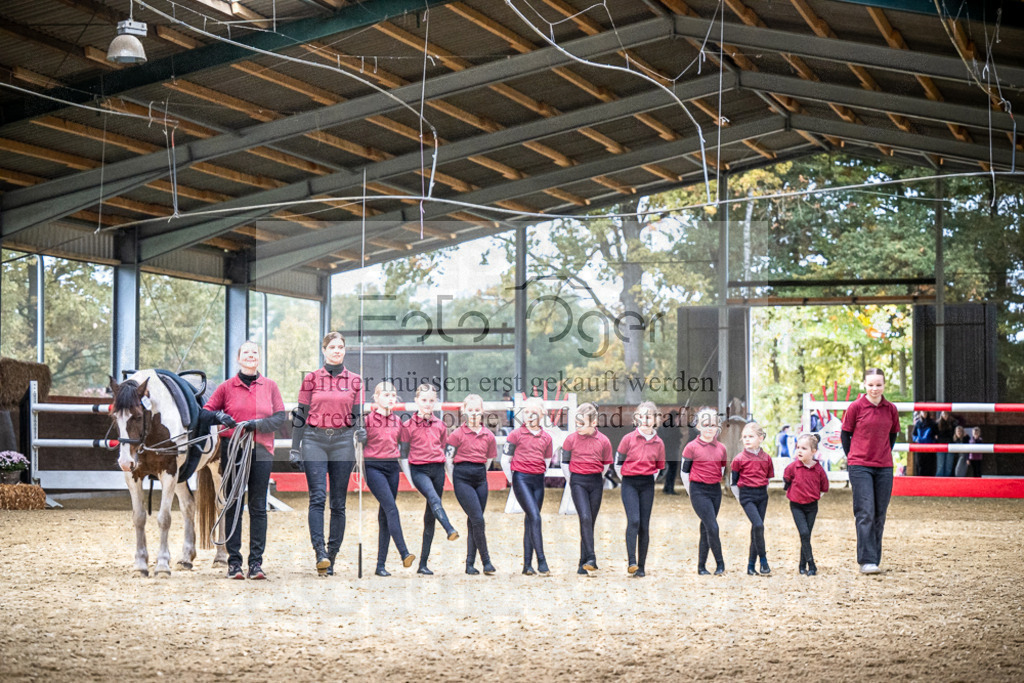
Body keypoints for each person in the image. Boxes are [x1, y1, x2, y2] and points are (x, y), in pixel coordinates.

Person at [203, 341, 286, 580]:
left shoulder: (270, 386)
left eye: (254, 352)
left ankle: (256, 563)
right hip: (234, 448)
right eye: (246, 352)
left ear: (259, 358)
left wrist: (257, 425)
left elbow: (280, 417)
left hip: (261, 450)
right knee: (234, 504)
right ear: (239, 358)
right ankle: (234, 562)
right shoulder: (227, 387)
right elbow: (205, 412)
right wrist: (220, 416)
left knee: (259, 506)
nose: (250, 355)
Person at [290, 331, 362, 576]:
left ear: (344, 350)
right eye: (332, 347)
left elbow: (356, 415)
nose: (337, 350)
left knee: (339, 503)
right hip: (314, 440)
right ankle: (319, 551)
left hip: (342, 441)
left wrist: (361, 432)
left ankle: (331, 556)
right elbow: (301, 414)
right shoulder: (311, 379)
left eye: (340, 347)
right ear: (324, 350)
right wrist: (294, 447)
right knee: (318, 498)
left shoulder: (355, 380)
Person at [841, 368, 901, 575]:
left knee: (879, 514)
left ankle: (875, 558)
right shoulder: (856, 407)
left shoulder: (891, 409)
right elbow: (845, 435)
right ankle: (866, 560)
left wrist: (883, 455)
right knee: (865, 511)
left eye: (879, 385)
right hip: (860, 466)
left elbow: (892, 436)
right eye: (871, 385)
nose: (875, 388)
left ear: (884, 386)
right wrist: (853, 458)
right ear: (864, 385)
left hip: (884, 467)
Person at [399, 383, 459, 576]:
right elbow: (404, 455)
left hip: (437, 469)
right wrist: (411, 479)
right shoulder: (407, 426)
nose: (427, 404)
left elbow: (441, 448)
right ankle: (449, 527)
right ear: (416, 401)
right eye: (424, 400)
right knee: (434, 499)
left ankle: (423, 563)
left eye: (431, 400)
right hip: (419, 470)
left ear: (436, 402)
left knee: (430, 516)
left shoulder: (440, 425)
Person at [360, 381, 415, 577]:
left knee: (385, 515)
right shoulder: (366, 420)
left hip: (392, 467)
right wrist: (359, 438)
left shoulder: (397, 421)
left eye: (393, 395)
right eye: (385, 395)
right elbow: (357, 442)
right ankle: (404, 552)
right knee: (391, 507)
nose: (390, 398)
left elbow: (404, 445)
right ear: (375, 398)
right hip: (373, 467)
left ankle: (380, 565)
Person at [560, 402, 613, 576]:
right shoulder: (571, 439)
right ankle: (592, 557)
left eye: (582, 423)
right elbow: (564, 463)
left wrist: (597, 477)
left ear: (594, 423)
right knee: (584, 517)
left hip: (596, 481)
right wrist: (572, 480)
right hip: (578, 481)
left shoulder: (604, 441)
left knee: (590, 521)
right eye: (577, 423)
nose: (578, 427)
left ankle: (582, 563)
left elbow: (605, 465)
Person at [448, 394, 498, 576]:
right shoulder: (457, 435)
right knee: (478, 519)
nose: (474, 414)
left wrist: (481, 472)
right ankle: (486, 561)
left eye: (477, 410)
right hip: (462, 478)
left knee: (474, 522)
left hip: (480, 478)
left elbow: (490, 459)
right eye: (470, 410)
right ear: (464, 412)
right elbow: (448, 459)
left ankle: (470, 564)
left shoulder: (489, 436)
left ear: (482, 412)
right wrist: (453, 479)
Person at [503, 396, 553, 576]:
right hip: (521, 479)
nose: (529, 416)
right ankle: (542, 560)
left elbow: (546, 462)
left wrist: (538, 474)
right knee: (536, 516)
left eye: (534, 413)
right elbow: (504, 460)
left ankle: (527, 565)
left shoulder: (546, 438)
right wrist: (514, 479)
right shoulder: (515, 435)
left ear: (542, 415)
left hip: (538, 480)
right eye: (526, 412)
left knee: (530, 520)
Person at [615, 401, 665, 578]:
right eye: (642, 416)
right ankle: (632, 561)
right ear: (637, 419)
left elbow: (659, 467)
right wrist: (626, 477)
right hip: (629, 483)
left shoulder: (659, 443)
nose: (645, 420)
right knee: (634, 520)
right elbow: (618, 462)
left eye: (649, 417)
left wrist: (648, 477)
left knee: (644, 525)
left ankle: (642, 566)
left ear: (655, 419)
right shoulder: (628, 439)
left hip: (647, 485)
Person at [681, 407, 728, 575]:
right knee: (713, 527)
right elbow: (684, 472)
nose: (710, 428)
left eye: (713, 425)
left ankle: (701, 566)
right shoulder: (691, 447)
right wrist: (691, 491)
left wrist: (714, 481)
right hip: (698, 490)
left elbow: (722, 469)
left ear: (718, 427)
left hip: (715, 490)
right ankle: (720, 564)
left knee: (706, 527)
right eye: (706, 424)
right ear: (698, 426)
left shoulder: (721, 448)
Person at [730, 422, 775, 576]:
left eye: (751, 436)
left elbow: (768, 479)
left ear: (761, 438)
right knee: (758, 525)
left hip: (762, 496)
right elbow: (733, 483)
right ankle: (763, 560)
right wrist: (740, 499)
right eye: (744, 437)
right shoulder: (739, 459)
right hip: (746, 496)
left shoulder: (767, 458)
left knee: (756, 529)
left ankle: (750, 566)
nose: (747, 439)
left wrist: (763, 492)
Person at [784, 433, 830, 576]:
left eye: (804, 448)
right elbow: (787, 480)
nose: (799, 451)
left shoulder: (819, 470)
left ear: (813, 452)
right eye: (798, 447)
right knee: (803, 532)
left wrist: (814, 496)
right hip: (796, 505)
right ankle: (812, 564)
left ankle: (802, 565)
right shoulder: (793, 467)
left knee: (806, 535)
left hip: (812, 506)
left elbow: (824, 487)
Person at [658, 407, 683, 495]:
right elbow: (678, 436)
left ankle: (666, 487)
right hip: (673, 452)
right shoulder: (674, 427)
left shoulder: (663, 426)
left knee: (668, 470)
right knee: (672, 471)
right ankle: (670, 489)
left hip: (665, 451)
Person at [934, 411, 957, 477]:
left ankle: (948, 478)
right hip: (940, 445)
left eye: (947, 414)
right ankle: (939, 479)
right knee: (940, 464)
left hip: (950, 445)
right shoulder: (937, 424)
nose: (945, 415)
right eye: (944, 414)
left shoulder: (952, 423)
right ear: (941, 415)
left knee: (949, 464)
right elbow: (934, 434)